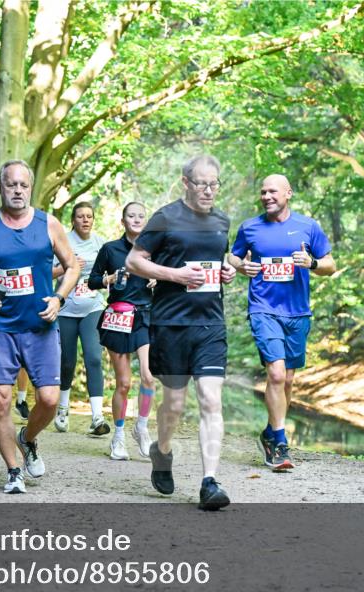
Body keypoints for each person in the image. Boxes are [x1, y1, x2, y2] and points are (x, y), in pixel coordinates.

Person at [0, 160, 79, 495]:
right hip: (0, 328)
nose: (18, 190)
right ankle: (13, 470)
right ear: (1, 188)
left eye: (23, 185)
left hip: (40, 326)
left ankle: (27, 438)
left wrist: (59, 299)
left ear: (31, 187)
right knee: (0, 401)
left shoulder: (48, 224)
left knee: (49, 400)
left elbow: (72, 267)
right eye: (11, 184)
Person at [126, 155, 237, 510]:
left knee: (210, 399)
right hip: (171, 324)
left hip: (210, 324)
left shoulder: (222, 221)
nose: (209, 190)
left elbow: (218, 260)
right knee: (173, 404)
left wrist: (226, 270)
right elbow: (134, 260)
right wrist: (174, 275)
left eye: (214, 184)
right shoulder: (165, 218)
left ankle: (209, 482)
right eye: (202, 184)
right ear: (186, 183)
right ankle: (162, 451)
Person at [228, 174, 337, 471]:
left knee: (287, 379)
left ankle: (269, 432)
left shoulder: (308, 226)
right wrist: (243, 266)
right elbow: (233, 258)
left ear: (288, 193)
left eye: (272, 191)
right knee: (275, 374)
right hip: (263, 309)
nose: (266, 196)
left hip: (297, 312)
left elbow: (330, 265)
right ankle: (279, 442)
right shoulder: (250, 227)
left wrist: (312, 263)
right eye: (263, 192)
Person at [88, 202, 156, 460]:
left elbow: (171, 278)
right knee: (124, 383)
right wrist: (108, 279)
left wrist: (158, 278)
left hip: (145, 316)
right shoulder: (110, 249)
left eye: (141, 216)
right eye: (131, 216)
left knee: (148, 377)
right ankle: (118, 436)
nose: (136, 219)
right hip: (118, 317)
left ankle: (141, 428)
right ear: (123, 221)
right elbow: (92, 281)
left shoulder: (154, 250)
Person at [52, 202, 109, 436]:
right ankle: (63, 408)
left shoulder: (100, 244)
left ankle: (97, 417)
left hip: (92, 307)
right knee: (67, 361)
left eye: (89, 216)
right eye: (80, 216)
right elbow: (47, 272)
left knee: (94, 358)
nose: (85, 220)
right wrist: (68, 268)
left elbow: (109, 273)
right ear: (73, 220)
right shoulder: (62, 241)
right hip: (65, 309)